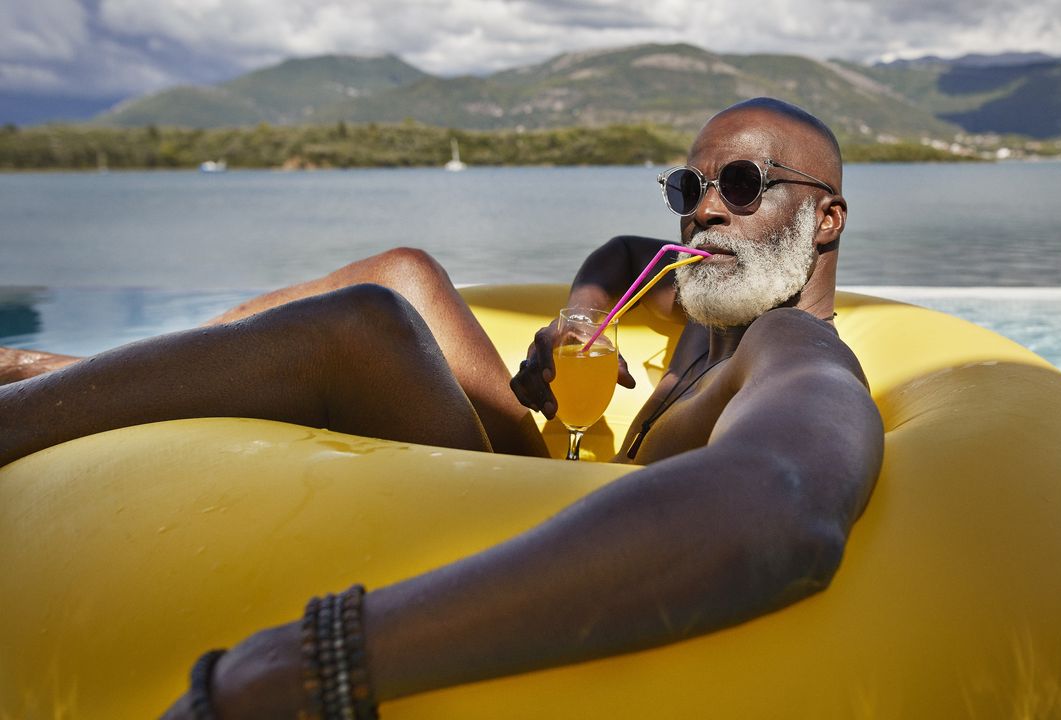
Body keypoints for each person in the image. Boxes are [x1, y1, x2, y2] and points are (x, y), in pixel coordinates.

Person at [0, 98, 884, 718]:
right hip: (545, 472)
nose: (704, 218)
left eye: (740, 182)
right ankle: (90, 372)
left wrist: (321, 661)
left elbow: (785, 506)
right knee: (404, 276)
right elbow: (623, 252)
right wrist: (580, 317)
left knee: (364, 326)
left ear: (828, 219)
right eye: (686, 193)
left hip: (555, 529)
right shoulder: (706, 291)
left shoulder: (790, 347)